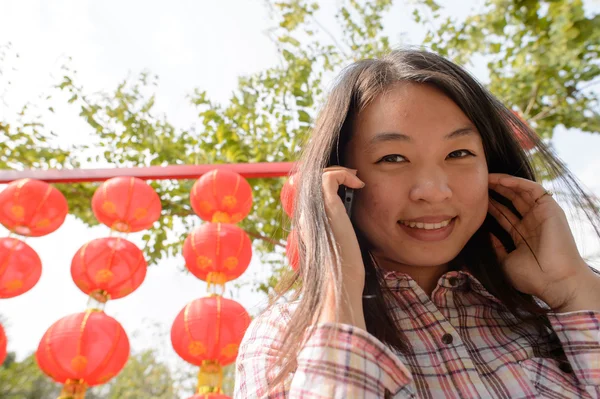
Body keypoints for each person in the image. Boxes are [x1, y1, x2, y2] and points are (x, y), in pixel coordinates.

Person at [233, 49, 600, 398]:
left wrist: (571, 286)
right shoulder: (282, 339)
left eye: (459, 153)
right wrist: (339, 297)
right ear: (341, 181)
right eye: (393, 158)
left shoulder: (551, 305)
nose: (433, 191)